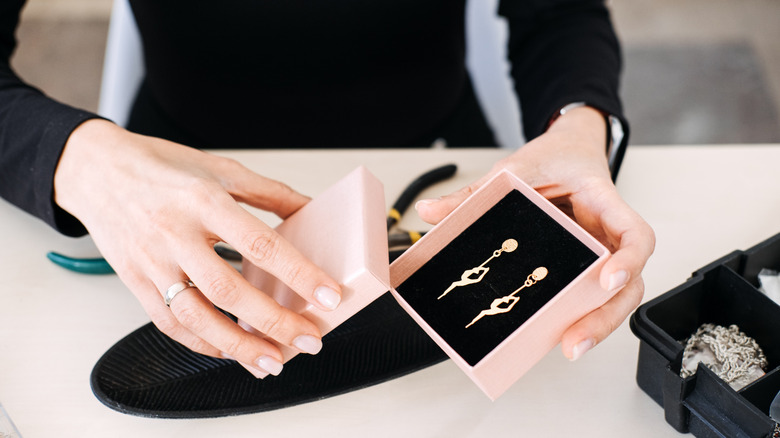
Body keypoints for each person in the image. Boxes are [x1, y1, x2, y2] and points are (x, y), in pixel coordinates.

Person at [0, 0, 654, 378]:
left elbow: (560, 11)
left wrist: (579, 120)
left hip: (439, 153)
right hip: (172, 181)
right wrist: (74, 160)